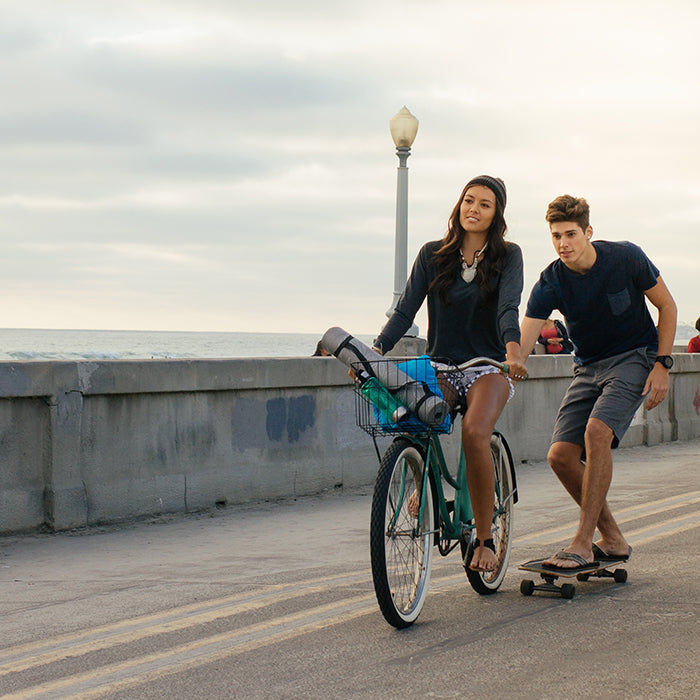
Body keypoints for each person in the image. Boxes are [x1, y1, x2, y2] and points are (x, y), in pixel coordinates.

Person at [372, 175, 527, 573]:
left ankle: (486, 540)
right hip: (440, 364)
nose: (473, 209)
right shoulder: (432, 255)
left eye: (485, 204)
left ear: (497, 215)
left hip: (488, 367)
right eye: (468, 200)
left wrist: (513, 352)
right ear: (459, 205)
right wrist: (376, 351)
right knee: (415, 419)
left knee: (475, 433)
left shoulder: (508, 256)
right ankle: (421, 485)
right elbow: (405, 311)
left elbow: (509, 309)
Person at [519, 194, 677, 570]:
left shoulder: (625, 258)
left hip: (634, 357)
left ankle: (582, 542)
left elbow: (667, 307)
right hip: (587, 366)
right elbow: (523, 344)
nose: (563, 244)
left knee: (597, 432)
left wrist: (663, 365)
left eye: (570, 234)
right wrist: (508, 365)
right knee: (560, 456)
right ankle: (614, 539)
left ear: (588, 232)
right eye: (556, 236)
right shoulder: (551, 280)